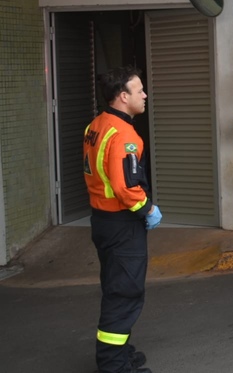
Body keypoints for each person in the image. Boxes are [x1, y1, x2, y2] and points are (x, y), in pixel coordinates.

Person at [84, 66, 162, 373]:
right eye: (139, 90)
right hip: (121, 224)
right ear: (122, 96)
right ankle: (113, 366)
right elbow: (125, 186)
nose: (145, 95)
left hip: (102, 219)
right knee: (124, 292)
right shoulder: (125, 135)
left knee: (115, 286)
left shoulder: (97, 125)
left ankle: (120, 353)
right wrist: (147, 209)